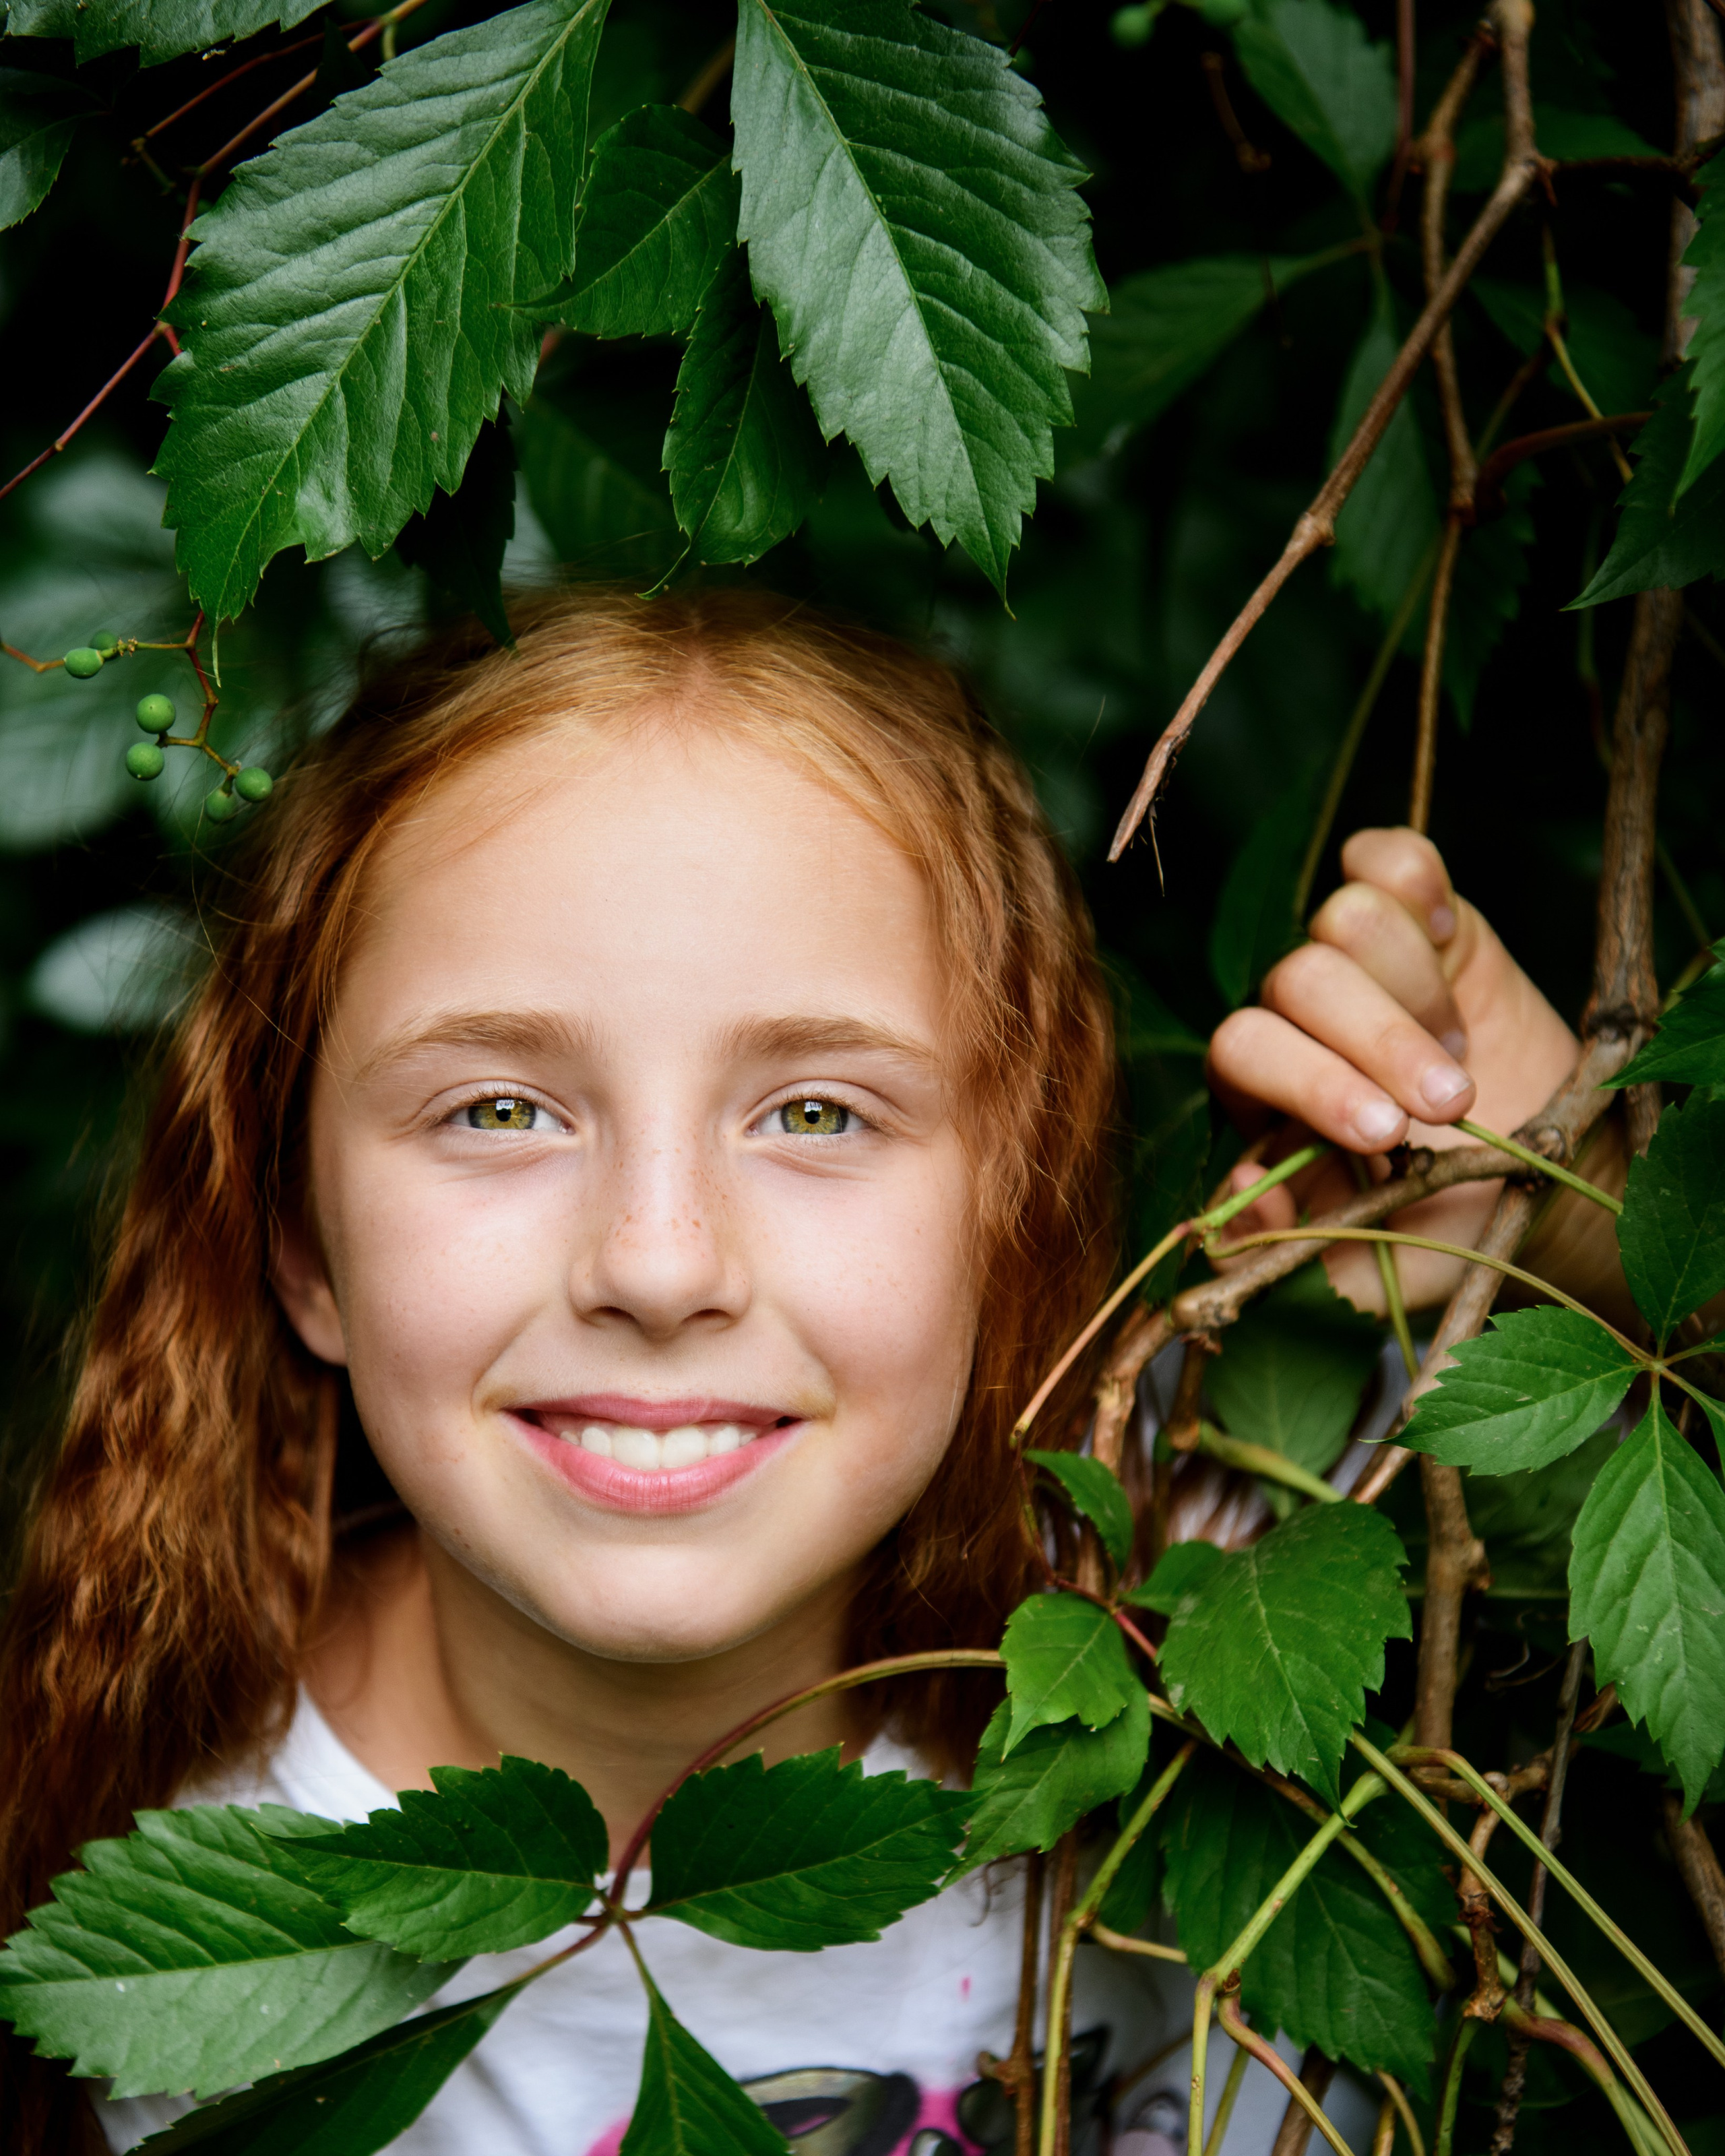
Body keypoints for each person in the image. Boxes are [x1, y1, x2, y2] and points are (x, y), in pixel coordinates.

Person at [0, 588, 1610, 2155]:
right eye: (497, 1110)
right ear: (302, 1243)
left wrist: (1580, 1224)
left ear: (1005, 1205)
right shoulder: (151, 1906)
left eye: (817, 1113)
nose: (656, 1261)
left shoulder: (1237, 1621)